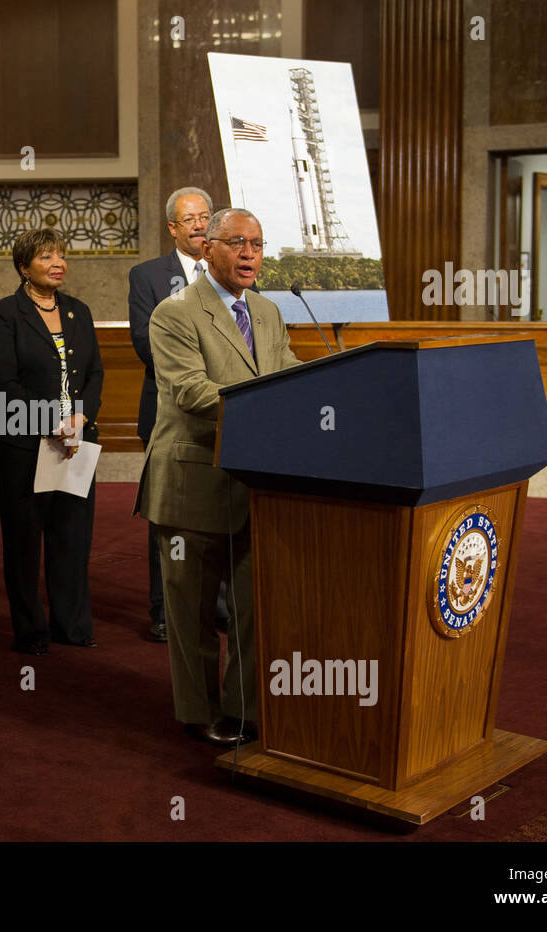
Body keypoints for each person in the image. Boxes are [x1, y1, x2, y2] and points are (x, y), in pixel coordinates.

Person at [134, 207, 302, 746]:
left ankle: (245, 708)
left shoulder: (271, 312)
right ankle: (199, 711)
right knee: (193, 612)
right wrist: (275, 410)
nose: (250, 253)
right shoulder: (175, 312)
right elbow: (193, 393)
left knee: (256, 610)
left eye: (257, 243)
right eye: (237, 243)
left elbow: (292, 373)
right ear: (208, 249)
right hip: (193, 482)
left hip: (257, 483)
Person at [129, 187, 247, 644]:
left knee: (222, 506)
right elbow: (145, 345)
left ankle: (217, 604)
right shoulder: (148, 276)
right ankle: (165, 609)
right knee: (172, 515)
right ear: (173, 228)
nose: (200, 225)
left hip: (227, 415)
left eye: (205, 217)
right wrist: (201, 371)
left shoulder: (233, 276)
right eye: (190, 219)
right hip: (170, 413)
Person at [0, 228, 104, 655]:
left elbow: (94, 374)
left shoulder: (79, 311)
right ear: (23, 267)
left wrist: (81, 416)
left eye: (61, 255)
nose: (58, 263)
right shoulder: (3, 314)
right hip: (23, 441)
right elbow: (6, 382)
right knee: (24, 538)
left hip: (76, 440)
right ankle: (31, 630)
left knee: (71, 534)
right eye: (46, 256)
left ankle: (70, 624)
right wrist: (53, 421)